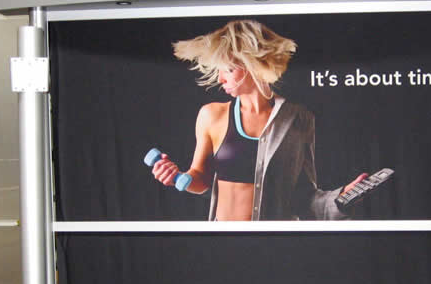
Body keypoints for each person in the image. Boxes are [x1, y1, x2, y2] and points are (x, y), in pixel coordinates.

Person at [151, 19, 366, 221]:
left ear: (253, 64)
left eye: (229, 70)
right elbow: (200, 177)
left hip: (276, 241)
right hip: (223, 239)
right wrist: (176, 176)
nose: (220, 78)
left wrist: (341, 197)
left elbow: (304, 196)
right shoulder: (212, 115)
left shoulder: (298, 118)